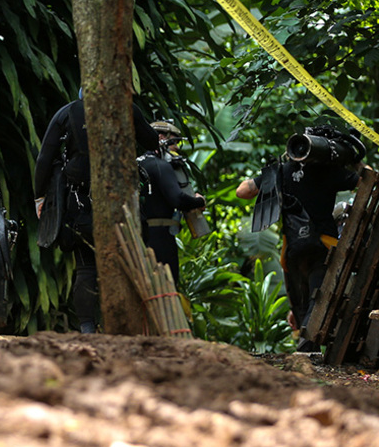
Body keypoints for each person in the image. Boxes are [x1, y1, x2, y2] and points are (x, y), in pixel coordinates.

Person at [32, 96, 158, 333]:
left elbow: (45, 157)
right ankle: (126, 328)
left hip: (81, 205)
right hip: (121, 208)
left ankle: (88, 328)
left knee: (86, 267)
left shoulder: (67, 113)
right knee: (126, 264)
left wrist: (41, 197)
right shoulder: (126, 107)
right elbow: (151, 141)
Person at [236, 125, 361, 351]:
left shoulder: (281, 171)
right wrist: (354, 159)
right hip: (323, 246)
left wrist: (271, 172)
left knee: (302, 304)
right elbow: (368, 180)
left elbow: (242, 191)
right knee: (318, 298)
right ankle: (306, 351)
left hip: (293, 249)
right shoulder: (330, 172)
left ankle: (306, 352)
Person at [138, 122, 205, 284]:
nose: (176, 148)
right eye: (174, 142)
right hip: (160, 238)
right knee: (166, 286)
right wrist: (198, 201)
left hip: (138, 237)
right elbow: (178, 199)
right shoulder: (160, 166)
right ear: (161, 138)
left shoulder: (137, 163)